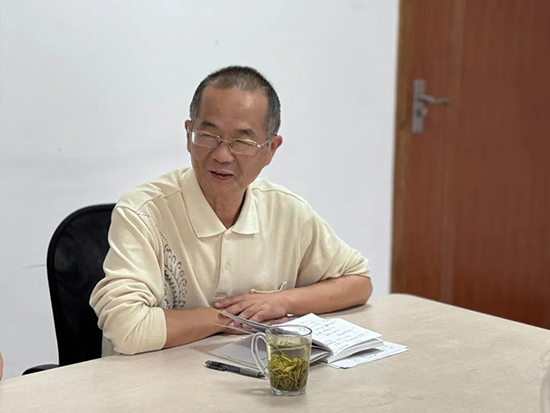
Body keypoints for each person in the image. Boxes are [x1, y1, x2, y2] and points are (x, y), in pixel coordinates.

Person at [90, 66, 372, 356]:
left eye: (242, 142)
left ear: (271, 149)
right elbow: (127, 330)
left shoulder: (286, 211)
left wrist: (280, 301)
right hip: (151, 380)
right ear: (188, 135)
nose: (222, 155)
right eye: (208, 136)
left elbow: (358, 283)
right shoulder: (143, 212)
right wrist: (228, 319)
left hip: (246, 376)